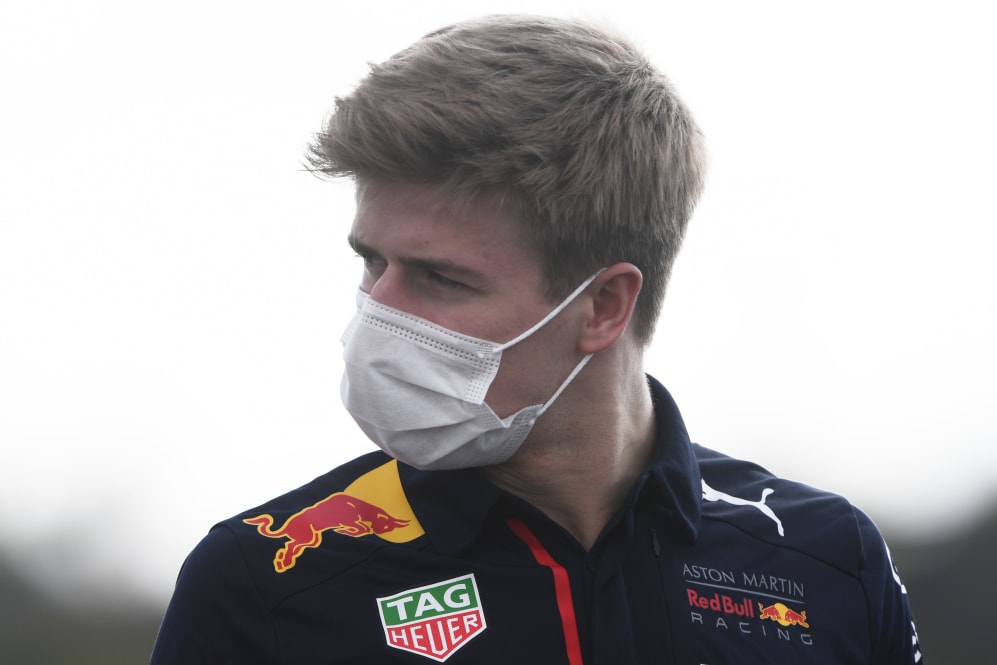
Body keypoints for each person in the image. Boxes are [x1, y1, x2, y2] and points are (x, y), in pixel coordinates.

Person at [150, 14, 923, 664]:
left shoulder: (827, 561)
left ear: (603, 306)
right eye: (372, 262)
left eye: (439, 278)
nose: (375, 313)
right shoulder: (264, 580)